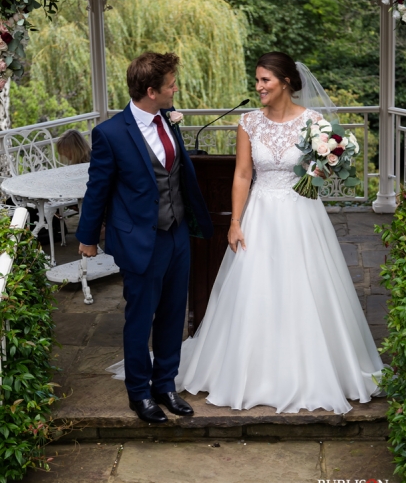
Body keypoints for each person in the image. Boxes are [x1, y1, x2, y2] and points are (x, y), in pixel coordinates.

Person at [175, 52, 384, 414]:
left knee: (307, 286)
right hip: (259, 214)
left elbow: (326, 169)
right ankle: (248, 371)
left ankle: (314, 370)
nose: (258, 87)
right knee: (255, 288)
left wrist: (322, 168)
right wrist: (235, 222)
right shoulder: (248, 123)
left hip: (302, 215)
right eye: (257, 80)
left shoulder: (313, 123)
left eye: (265, 80)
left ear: (285, 82)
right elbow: (243, 174)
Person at [76, 51, 213, 424]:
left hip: (177, 234)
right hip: (139, 239)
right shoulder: (110, 133)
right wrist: (87, 237)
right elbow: (98, 188)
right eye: (171, 85)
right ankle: (139, 392)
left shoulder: (168, 119)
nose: (175, 90)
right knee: (140, 318)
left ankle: (165, 385)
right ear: (151, 91)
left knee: (173, 313)